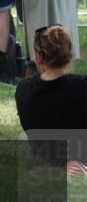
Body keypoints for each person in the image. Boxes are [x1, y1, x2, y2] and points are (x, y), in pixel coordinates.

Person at [15, 25, 87, 174]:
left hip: (46, 161)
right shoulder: (81, 86)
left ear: (39, 56)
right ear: (68, 54)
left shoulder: (23, 89)